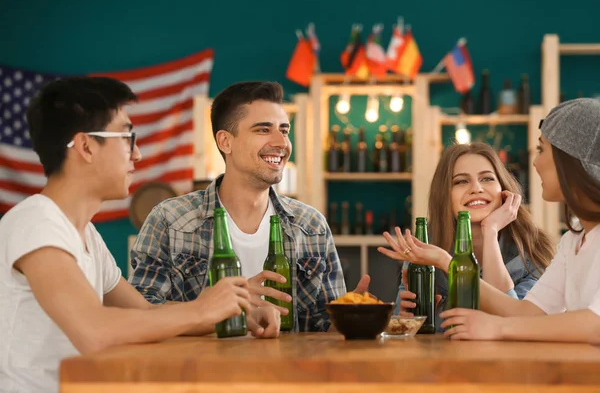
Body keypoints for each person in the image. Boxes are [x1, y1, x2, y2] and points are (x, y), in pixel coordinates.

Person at [0, 77, 280, 393]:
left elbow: (145, 312)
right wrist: (200, 309)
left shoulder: (85, 234)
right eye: (127, 138)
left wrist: (236, 310)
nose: (138, 155)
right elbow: (93, 329)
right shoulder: (36, 222)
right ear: (86, 146)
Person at [129, 81, 368, 333]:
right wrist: (218, 309)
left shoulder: (311, 225)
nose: (281, 142)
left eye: (284, 130)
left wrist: (353, 316)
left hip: (290, 372)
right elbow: (143, 313)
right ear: (225, 142)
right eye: (263, 130)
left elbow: (324, 328)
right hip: (201, 371)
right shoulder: (169, 220)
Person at [395, 98, 600, 343]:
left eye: (542, 149)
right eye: (461, 181)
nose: (535, 162)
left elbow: (595, 325)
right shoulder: (573, 242)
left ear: (569, 160)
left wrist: (497, 328)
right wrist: (445, 261)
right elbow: (527, 315)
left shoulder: (539, 250)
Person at [379, 142, 555, 329]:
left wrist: (490, 231)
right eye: (461, 181)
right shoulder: (425, 245)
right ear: (445, 195)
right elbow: (401, 332)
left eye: (487, 178)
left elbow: (518, 326)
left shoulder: (533, 252)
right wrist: (405, 317)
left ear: (504, 189)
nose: (476, 188)